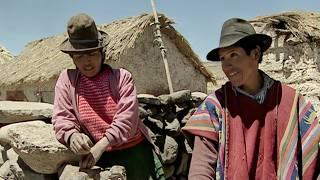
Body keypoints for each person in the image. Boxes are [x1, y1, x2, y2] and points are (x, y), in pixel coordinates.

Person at [182, 18, 319, 179]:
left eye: (234, 55)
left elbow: (314, 160)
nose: (227, 66)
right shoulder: (215, 106)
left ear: (255, 54)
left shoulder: (292, 103)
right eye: (223, 59)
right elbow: (201, 166)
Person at [52, 13, 165, 180]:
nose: (87, 62)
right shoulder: (67, 80)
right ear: (73, 59)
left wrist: (101, 146)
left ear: (101, 52)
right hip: (100, 158)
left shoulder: (121, 78)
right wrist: (72, 136)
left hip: (135, 154)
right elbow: (62, 116)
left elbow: (127, 120)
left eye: (92, 54)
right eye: (79, 56)